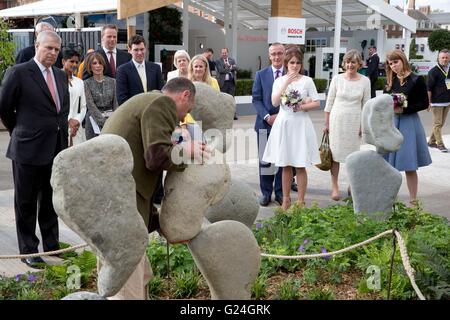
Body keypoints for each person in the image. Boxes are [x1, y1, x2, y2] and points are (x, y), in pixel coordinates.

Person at [102, 77, 209, 299]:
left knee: (135, 272)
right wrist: (186, 150)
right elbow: (155, 157)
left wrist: (156, 221)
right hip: (123, 201)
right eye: (188, 110)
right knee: (128, 277)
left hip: (114, 198)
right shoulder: (162, 104)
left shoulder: (148, 100)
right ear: (185, 95)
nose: (183, 117)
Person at [0, 30, 69, 268]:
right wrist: (18, 130)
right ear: (37, 45)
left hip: (55, 149)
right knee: (26, 203)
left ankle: (52, 246)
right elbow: (4, 107)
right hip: (27, 149)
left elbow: (62, 110)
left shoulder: (60, 75)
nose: (52, 53)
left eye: (56, 49)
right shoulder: (18, 72)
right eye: (48, 47)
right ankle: (28, 250)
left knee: (50, 201)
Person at [263, 47, 321, 210]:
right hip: (284, 123)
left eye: (297, 63)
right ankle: (286, 199)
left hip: (300, 123)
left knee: (300, 164)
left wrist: (301, 107)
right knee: (286, 164)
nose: (295, 66)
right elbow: (274, 102)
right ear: (286, 64)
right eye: (291, 63)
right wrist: (287, 82)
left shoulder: (307, 81)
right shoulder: (279, 81)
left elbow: (316, 102)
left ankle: (301, 200)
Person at [383, 49, 432, 206]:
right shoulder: (391, 81)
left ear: (403, 60)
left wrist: (405, 108)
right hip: (392, 123)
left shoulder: (416, 80)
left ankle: (413, 199)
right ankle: (390, 198)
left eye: (395, 62)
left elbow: (424, 103)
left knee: (409, 164)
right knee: (389, 164)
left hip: (409, 123)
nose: (393, 66)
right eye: (390, 64)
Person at [324, 49, 371, 201]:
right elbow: (329, 102)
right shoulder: (337, 79)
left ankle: (352, 185)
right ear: (344, 64)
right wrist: (326, 123)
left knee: (353, 157)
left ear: (359, 64)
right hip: (337, 121)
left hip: (355, 122)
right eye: (348, 62)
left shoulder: (365, 81)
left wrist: (362, 125)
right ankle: (335, 186)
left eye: (353, 62)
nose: (350, 65)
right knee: (335, 156)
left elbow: (366, 104)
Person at [116, 35, 163, 105]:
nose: (140, 53)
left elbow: (160, 92)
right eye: (136, 50)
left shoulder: (156, 68)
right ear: (129, 50)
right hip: (133, 113)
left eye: (142, 49)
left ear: (145, 49)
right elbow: (121, 98)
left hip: (153, 111)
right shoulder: (122, 70)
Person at [84, 52, 118, 140]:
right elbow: (90, 105)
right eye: (94, 63)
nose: (98, 66)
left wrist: (113, 120)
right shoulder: (86, 83)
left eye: (100, 63)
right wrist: (104, 122)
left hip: (112, 121)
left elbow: (116, 104)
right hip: (93, 122)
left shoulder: (113, 81)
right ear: (90, 66)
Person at [427, 49, 450, 153]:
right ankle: (440, 144)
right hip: (437, 102)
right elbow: (429, 89)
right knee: (438, 124)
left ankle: (431, 141)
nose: (445, 59)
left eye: (446, 57)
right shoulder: (433, 71)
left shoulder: (449, 69)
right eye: (443, 57)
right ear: (438, 58)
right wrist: (428, 102)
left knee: (440, 124)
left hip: (447, 101)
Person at [62, 49, 86, 146]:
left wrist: (77, 120)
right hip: (62, 125)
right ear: (63, 61)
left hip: (77, 127)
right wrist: (69, 121)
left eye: (77, 62)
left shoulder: (80, 82)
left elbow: (83, 105)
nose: (75, 64)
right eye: (71, 61)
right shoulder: (55, 79)